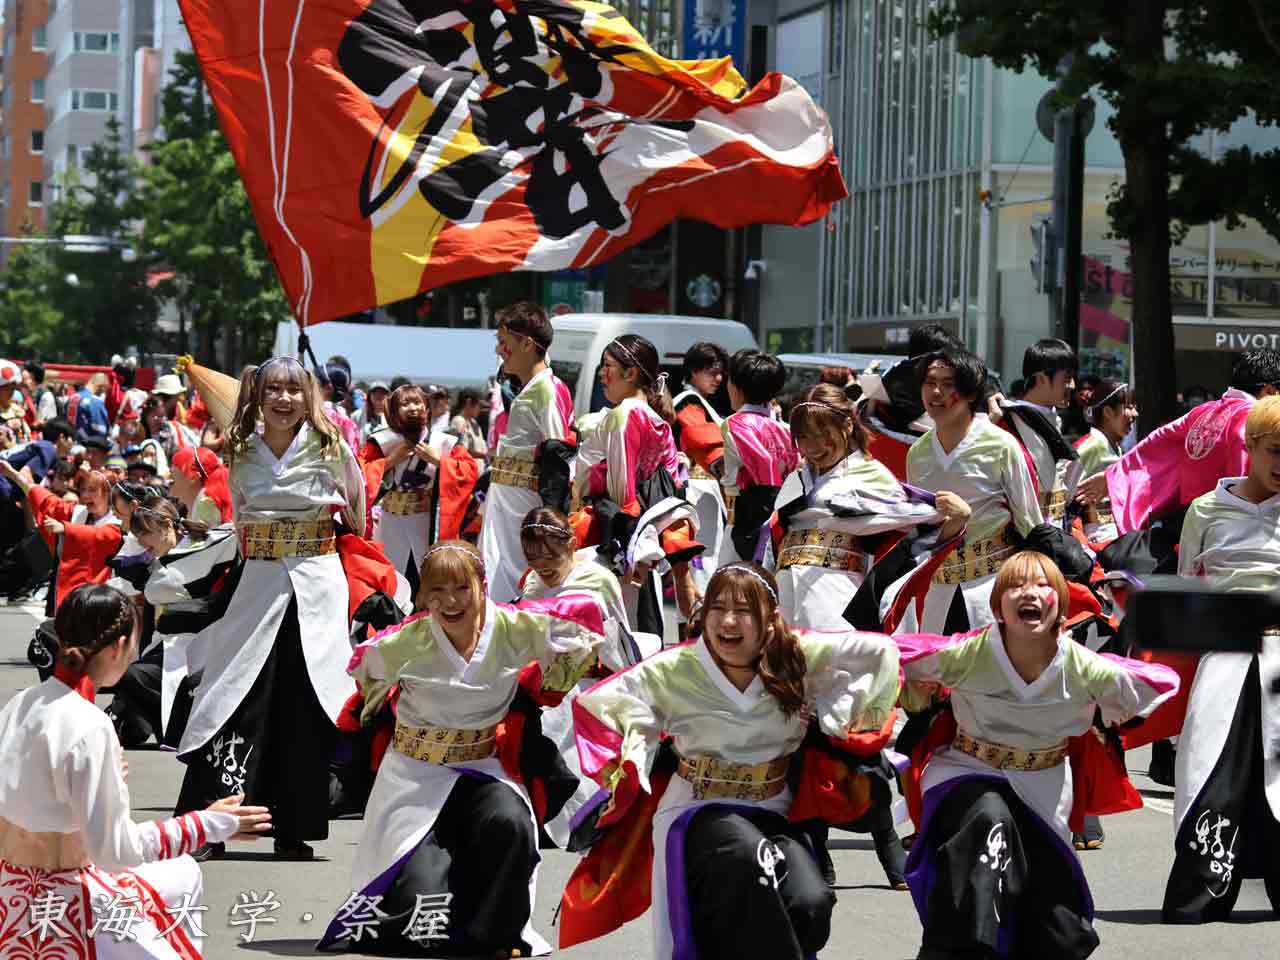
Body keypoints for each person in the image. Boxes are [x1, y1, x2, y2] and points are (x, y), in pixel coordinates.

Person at [568, 563, 901, 960]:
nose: (727, 621)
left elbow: (881, 651)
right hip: (697, 810)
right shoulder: (676, 668)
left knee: (810, 901)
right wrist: (635, 748)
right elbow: (600, 704)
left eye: (743, 610)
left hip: (773, 810)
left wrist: (843, 716)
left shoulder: (796, 656)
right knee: (750, 862)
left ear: (771, 620)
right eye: (717, 607)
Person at [319, 539, 604, 956]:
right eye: (436, 590)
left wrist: (551, 681)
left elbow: (580, 634)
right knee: (417, 907)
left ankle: (496, 935)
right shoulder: (405, 642)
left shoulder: (514, 627)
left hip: (486, 765)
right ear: (423, 597)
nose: (450, 602)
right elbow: (364, 674)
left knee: (511, 824)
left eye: (462, 589)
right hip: (414, 776)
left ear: (483, 587)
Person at [897, 551, 1179, 960]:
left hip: (1044, 787)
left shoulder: (1083, 666)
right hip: (968, 774)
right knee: (986, 833)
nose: (1028, 592)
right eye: (1015, 585)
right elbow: (893, 655)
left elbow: (1156, 683)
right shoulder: (969, 653)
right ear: (998, 607)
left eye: (1042, 584)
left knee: (1059, 933)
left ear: (1060, 604)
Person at [0, 583, 271, 960]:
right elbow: (114, 851)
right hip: (66, 905)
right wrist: (206, 824)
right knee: (178, 882)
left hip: (10, 896)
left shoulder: (21, 704)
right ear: (118, 647)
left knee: (180, 872)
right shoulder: (89, 724)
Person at [173, 356, 365, 862]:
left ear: (309, 398)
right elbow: (236, 517)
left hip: (316, 587)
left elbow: (359, 513)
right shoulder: (240, 450)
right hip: (259, 581)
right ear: (258, 397)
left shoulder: (331, 445)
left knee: (305, 703)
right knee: (233, 695)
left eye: (293, 390)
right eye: (273, 390)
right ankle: (209, 823)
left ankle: (293, 826)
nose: (283, 399)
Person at [1162, 395, 1280, 922]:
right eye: (1276, 450)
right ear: (1249, 447)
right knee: (1214, 773)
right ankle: (1201, 894)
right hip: (1226, 655)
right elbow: (1189, 585)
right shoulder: (1206, 510)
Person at [518, 507, 639, 846]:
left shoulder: (596, 579)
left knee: (561, 716)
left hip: (595, 680)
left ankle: (586, 813)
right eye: (533, 556)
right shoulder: (532, 582)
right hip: (546, 677)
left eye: (551, 555)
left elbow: (599, 637)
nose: (542, 564)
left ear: (571, 545)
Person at [904, 349, 1042, 634]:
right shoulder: (917, 454)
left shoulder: (1002, 445)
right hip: (937, 590)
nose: (936, 392)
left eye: (948, 384)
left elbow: (1030, 523)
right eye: (930, 383)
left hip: (992, 586)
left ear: (970, 393)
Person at [576, 333, 701, 637]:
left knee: (613, 632)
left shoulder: (624, 414)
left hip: (615, 538)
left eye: (607, 366)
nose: (602, 374)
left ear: (630, 373)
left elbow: (622, 492)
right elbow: (672, 487)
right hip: (643, 539)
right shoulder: (658, 421)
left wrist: (626, 549)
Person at [1075, 348, 1280, 533]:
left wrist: (1113, 476)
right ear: (1269, 391)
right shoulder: (1253, 421)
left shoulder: (1202, 412)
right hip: (1233, 531)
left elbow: (1155, 445)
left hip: (1190, 526)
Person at [480, 301, 575, 601]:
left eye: (503, 342)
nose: (498, 350)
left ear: (526, 344)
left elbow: (560, 457)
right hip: (507, 514)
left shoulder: (546, 391)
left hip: (523, 516)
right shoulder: (532, 391)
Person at [364, 384, 458, 594]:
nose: (413, 408)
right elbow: (359, 474)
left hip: (425, 523)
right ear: (394, 410)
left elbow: (467, 473)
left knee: (426, 582)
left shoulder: (445, 442)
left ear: (427, 408)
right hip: (390, 523)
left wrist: (439, 461)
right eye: (405, 403)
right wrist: (389, 461)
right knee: (390, 585)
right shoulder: (382, 441)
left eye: (418, 402)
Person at [718, 349, 798, 564]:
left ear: (736, 387)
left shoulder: (736, 423)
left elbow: (764, 468)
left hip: (746, 523)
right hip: (780, 520)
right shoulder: (786, 429)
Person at [1000, 338, 1082, 529]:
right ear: (1043, 378)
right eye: (1067, 377)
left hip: (1052, 533)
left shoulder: (1049, 418)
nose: (1072, 386)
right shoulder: (1008, 421)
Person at [672, 341, 730, 592]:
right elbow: (707, 445)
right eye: (711, 371)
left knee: (708, 557)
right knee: (703, 559)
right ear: (694, 370)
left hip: (706, 490)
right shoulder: (688, 402)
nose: (718, 378)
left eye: (720, 373)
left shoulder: (701, 403)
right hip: (697, 488)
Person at [1074, 380, 1137, 544]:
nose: (1135, 414)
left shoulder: (1115, 446)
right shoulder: (1089, 447)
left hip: (1117, 536)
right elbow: (1060, 493)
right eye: (1129, 407)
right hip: (1096, 542)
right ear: (1108, 412)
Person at [170, 446, 234, 526]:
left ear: (193, 478)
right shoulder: (199, 504)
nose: (170, 471)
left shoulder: (206, 505)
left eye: (176, 465)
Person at [450, 386, 490, 460]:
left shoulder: (474, 423)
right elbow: (461, 452)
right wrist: (487, 456)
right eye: (480, 406)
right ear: (468, 402)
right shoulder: (459, 422)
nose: (481, 409)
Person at [23, 360, 57, 427]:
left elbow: (40, 422)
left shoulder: (46, 396)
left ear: (31, 375)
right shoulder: (27, 392)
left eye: (24, 370)